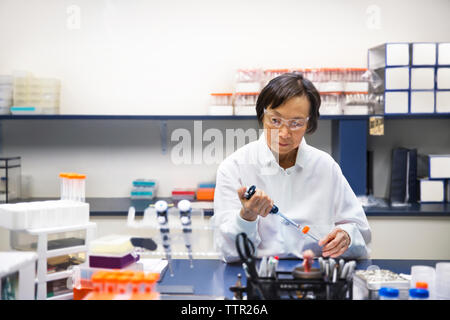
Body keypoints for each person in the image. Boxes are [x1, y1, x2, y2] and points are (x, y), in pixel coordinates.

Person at [212, 72, 371, 263]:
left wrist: (346, 236)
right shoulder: (234, 167)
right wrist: (247, 216)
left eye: (296, 123)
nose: (284, 133)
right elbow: (228, 253)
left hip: (314, 275)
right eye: (275, 121)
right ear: (263, 116)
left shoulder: (325, 167)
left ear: (309, 123)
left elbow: (361, 232)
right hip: (256, 276)